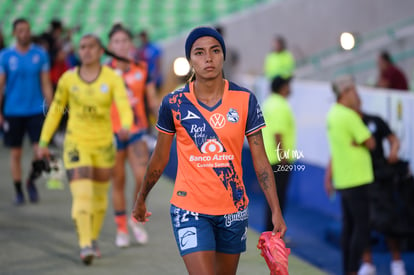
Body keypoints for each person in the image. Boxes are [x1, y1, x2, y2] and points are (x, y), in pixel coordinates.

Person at [133, 26, 287, 275]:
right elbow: (159, 158)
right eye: (199, 52)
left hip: (233, 210)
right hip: (189, 208)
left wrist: (276, 211)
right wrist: (141, 197)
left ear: (223, 55)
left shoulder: (244, 99)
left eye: (215, 50)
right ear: (190, 59)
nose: (208, 58)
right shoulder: (173, 103)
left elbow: (260, 161)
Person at [37, 33, 133, 265]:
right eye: (82, 47)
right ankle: (85, 244)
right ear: (78, 51)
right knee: (83, 194)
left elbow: (123, 104)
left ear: (101, 52)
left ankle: (92, 238)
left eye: (91, 47)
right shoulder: (68, 79)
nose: (86, 51)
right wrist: (42, 143)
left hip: (103, 145)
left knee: (100, 199)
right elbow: (55, 110)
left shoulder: (112, 77)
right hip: (76, 143)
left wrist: (126, 125)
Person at [107, 24, 159, 248]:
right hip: (112, 133)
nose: (120, 45)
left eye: (124, 41)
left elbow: (152, 100)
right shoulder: (103, 72)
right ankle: (121, 229)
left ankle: (134, 219)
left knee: (141, 176)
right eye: (116, 41)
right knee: (118, 181)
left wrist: (164, 122)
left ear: (130, 44)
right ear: (110, 46)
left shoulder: (142, 68)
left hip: (137, 131)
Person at [324, 75, 376, 275]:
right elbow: (371, 142)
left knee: (349, 228)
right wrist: (361, 140)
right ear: (345, 93)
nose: (357, 94)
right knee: (361, 229)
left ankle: (348, 269)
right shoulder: (349, 115)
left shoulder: (333, 114)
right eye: (353, 90)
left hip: (344, 179)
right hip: (358, 178)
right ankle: (353, 270)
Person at [0, 18, 53, 205]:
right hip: (13, 112)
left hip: (35, 110)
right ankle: (18, 190)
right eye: (21, 30)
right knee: (16, 154)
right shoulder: (5, 56)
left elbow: (46, 83)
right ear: (14, 33)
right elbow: (1, 85)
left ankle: (31, 180)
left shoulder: (40, 54)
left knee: (40, 152)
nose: (25, 33)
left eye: (27, 30)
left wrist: (52, 107)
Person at [353, 96, 406, 275]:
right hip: (358, 179)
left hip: (380, 178)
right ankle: (368, 263)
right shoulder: (346, 125)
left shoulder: (374, 121)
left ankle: (397, 263)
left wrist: (393, 151)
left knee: (388, 220)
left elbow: (393, 139)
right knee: (362, 222)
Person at [262, 75, 296, 231]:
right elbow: (278, 134)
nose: (290, 87)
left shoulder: (268, 103)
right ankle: (275, 237)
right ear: (282, 87)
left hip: (269, 157)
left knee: (271, 200)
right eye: (288, 84)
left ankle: (270, 234)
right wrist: (283, 158)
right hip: (278, 160)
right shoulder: (280, 105)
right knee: (278, 201)